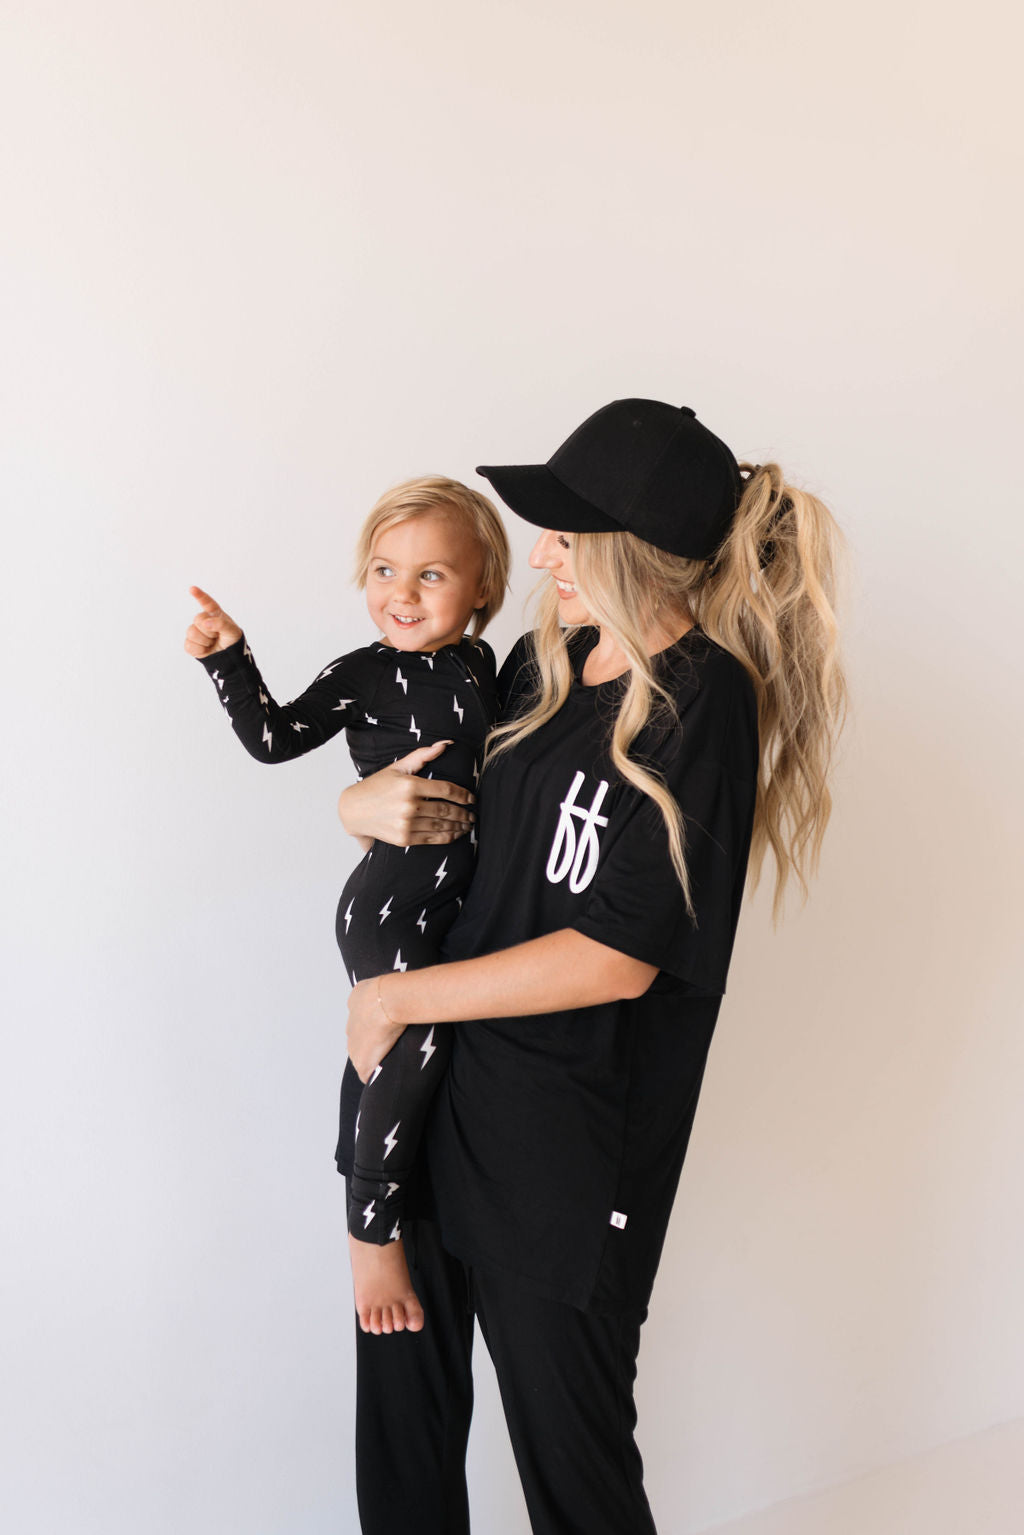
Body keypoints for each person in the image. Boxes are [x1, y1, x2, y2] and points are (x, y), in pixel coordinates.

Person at [339, 400, 846, 1535]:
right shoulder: (540, 667)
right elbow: (439, 828)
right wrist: (355, 804)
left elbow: (619, 956)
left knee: (577, 1480)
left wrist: (397, 995)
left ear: (631, 547)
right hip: (434, 1102)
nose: (540, 556)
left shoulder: (705, 699)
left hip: (561, 1159)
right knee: (403, 1441)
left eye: (566, 535)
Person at [183, 476, 511, 1334]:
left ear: (483, 585)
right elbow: (274, 738)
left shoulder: (486, 667)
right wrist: (229, 658)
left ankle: (414, 1208)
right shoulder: (363, 673)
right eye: (384, 569)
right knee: (414, 1039)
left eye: (431, 574)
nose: (401, 593)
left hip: (460, 906)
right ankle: (371, 1232)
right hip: (391, 902)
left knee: (398, 1053)